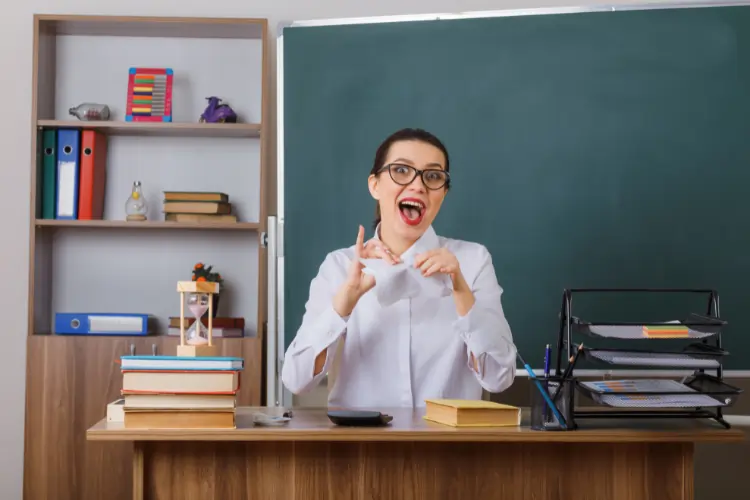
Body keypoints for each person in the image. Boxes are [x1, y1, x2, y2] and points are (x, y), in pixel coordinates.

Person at [281, 127, 517, 408]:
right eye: (402, 171)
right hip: (361, 447)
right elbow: (296, 380)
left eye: (432, 176)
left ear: (443, 192)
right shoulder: (340, 266)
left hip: (448, 446)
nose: (418, 185)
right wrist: (343, 304)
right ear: (375, 185)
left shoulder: (472, 261)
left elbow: (499, 379)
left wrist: (461, 290)